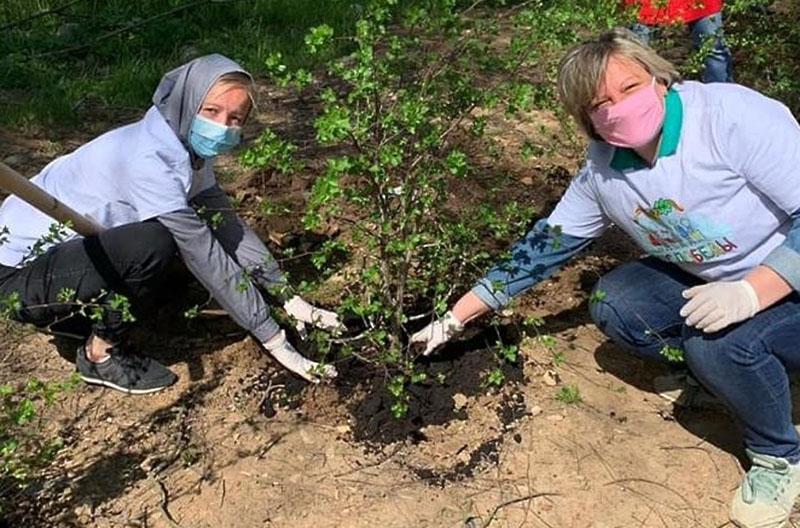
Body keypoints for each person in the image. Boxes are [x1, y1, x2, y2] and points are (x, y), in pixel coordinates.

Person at [411, 28, 800, 528]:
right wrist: (453, 318)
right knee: (618, 304)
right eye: (600, 104)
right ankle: (723, 378)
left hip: (785, 281)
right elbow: (545, 248)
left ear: (659, 79)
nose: (618, 107)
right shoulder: (603, 172)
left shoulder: (732, 117)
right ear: (588, 121)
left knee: (716, 346)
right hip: (716, 279)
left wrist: (751, 293)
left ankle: (777, 454)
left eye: (630, 88)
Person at [0, 54, 343, 394]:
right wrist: (273, 337)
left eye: (235, 118)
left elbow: (227, 227)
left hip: (67, 257)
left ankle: (77, 318)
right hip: (15, 277)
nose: (223, 126)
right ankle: (99, 355)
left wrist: (288, 297)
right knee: (154, 244)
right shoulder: (148, 158)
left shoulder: (184, 145)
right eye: (211, 111)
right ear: (185, 103)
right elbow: (203, 253)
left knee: (167, 265)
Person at [625, 0, 733, 83]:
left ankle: (722, 99)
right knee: (640, 57)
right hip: (646, 5)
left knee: (713, 51)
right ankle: (643, 106)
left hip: (702, 5)